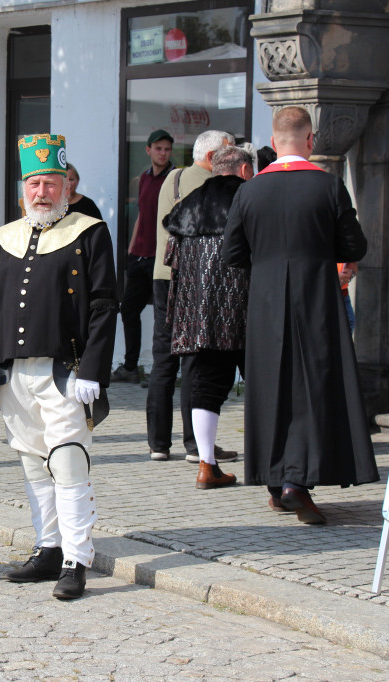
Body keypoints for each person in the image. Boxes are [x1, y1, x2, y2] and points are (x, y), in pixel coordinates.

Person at [0, 133, 118, 600]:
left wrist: (93, 368)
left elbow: (103, 304)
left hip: (66, 372)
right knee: (33, 465)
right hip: (14, 374)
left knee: (68, 463)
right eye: (34, 183)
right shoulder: (3, 238)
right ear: (23, 189)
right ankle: (48, 548)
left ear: (66, 186)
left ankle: (77, 558)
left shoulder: (89, 231)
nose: (42, 192)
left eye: (51, 182)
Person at [222, 106, 378, 524]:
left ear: (274, 143)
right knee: (311, 386)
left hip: (267, 302)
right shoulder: (328, 186)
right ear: (311, 140)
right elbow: (355, 247)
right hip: (316, 300)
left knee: (272, 386)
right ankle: (295, 483)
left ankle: (277, 483)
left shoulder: (249, 191)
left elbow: (231, 254)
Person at [163, 145, 254, 490]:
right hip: (245, 308)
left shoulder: (190, 202)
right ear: (245, 169)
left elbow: (172, 258)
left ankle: (206, 465)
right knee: (261, 383)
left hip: (199, 314)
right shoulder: (249, 197)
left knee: (206, 386)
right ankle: (266, 464)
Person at [149, 130, 236, 464]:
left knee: (163, 359)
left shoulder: (174, 176)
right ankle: (194, 444)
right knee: (194, 359)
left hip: (162, 275)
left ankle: (158, 444)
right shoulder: (212, 186)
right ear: (214, 157)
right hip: (194, 280)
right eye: (228, 155)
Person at [113, 129, 174, 384]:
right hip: (139, 255)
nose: (163, 153)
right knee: (128, 310)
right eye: (158, 148)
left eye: (167, 149)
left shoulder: (174, 178)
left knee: (163, 316)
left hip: (161, 258)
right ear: (148, 150)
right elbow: (141, 214)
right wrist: (130, 249)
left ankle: (160, 371)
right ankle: (129, 366)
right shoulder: (144, 179)